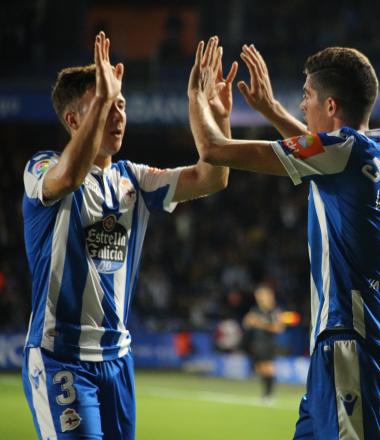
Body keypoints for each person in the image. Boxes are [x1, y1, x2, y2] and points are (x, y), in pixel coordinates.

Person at [188, 38, 380, 439]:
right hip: (364, 345)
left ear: (331, 106)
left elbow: (212, 149)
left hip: (353, 345)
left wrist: (199, 99)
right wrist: (270, 110)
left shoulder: (343, 152)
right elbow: (326, 158)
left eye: (306, 96)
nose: (301, 105)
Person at [21, 33, 236, 439]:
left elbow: (213, 177)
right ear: (73, 121)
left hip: (117, 359)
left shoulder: (133, 178)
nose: (118, 115)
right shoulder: (41, 168)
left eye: (121, 105)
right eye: (105, 106)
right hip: (60, 357)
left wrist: (212, 115)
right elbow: (67, 177)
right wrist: (102, 97)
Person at [242, 284, 284, 402]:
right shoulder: (255, 310)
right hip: (256, 342)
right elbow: (246, 322)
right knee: (259, 368)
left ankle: (269, 395)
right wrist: (249, 322)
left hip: (268, 343)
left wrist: (262, 324)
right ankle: (265, 394)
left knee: (268, 368)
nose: (259, 297)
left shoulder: (274, 310)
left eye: (262, 295)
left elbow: (279, 328)